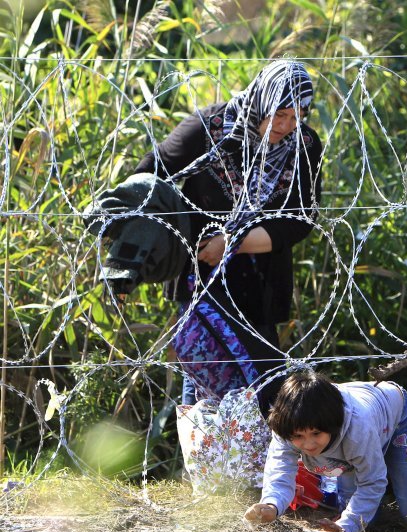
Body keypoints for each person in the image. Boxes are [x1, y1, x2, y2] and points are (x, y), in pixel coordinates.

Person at [134, 60, 322, 413]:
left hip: (261, 280)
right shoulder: (211, 128)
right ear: (262, 101)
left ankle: (253, 464)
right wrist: (178, 240)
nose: (287, 126)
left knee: (263, 383)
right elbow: (149, 177)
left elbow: (301, 218)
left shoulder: (305, 146)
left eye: (298, 116)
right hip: (200, 275)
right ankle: (204, 465)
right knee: (205, 374)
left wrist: (231, 243)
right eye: (279, 114)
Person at [243, 371, 407, 532]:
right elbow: (280, 472)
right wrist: (271, 505)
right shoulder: (286, 425)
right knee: (369, 522)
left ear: (332, 424)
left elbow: (372, 481)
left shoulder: (356, 428)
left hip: (397, 415)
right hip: (356, 443)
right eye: (298, 436)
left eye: (316, 433)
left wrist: (345, 526)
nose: (308, 444)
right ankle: (388, 470)